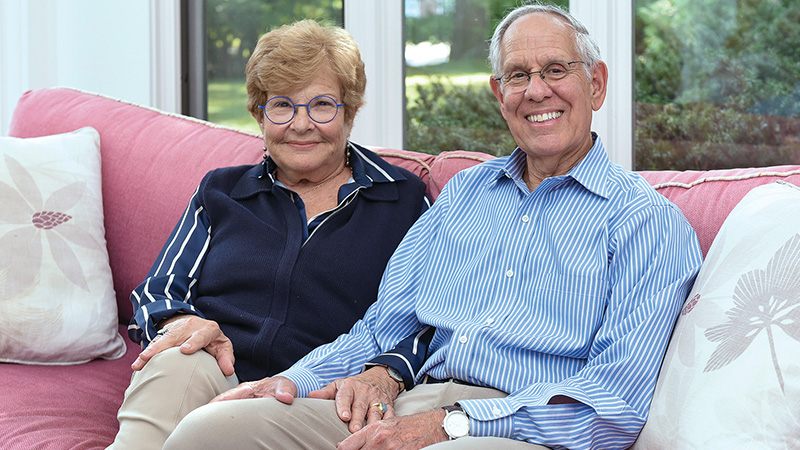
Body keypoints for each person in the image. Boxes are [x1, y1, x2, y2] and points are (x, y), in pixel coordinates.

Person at [160, 3, 703, 450]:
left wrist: (455, 422)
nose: (536, 91)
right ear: (500, 95)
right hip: (408, 401)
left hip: (517, 428)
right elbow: (381, 328)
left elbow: (613, 404)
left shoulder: (644, 222)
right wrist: (287, 383)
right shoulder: (465, 195)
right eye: (518, 76)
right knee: (212, 432)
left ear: (598, 85)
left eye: (555, 70)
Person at [107, 20, 430, 449]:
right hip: (214, 366)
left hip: (313, 390)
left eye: (321, 105)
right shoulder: (222, 191)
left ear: (350, 112)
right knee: (177, 360)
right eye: (281, 105)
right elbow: (158, 290)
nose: (300, 124)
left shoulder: (403, 199)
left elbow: (433, 317)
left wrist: (384, 371)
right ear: (259, 115)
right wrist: (182, 323)